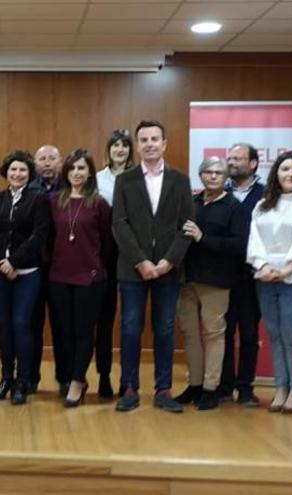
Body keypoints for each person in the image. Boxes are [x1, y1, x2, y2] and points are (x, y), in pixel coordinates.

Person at [112, 119, 194, 414]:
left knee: (165, 329)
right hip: (132, 269)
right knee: (131, 328)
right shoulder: (125, 180)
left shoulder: (181, 180)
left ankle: (163, 389)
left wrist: (168, 262)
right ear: (137, 145)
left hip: (168, 270)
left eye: (154, 139)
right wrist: (142, 261)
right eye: (143, 139)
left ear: (164, 144)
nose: (149, 144)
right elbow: (119, 225)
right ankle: (130, 388)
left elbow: (187, 226)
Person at [247, 151, 292, 414]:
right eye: (285, 169)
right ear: (276, 173)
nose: (290, 174)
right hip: (266, 278)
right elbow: (254, 239)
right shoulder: (263, 204)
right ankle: (280, 387)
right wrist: (264, 266)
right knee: (275, 335)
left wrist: (287, 268)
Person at [174, 157, 246, 411]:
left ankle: (210, 387)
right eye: (208, 172)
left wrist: (203, 238)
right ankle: (194, 384)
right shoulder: (192, 203)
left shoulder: (234, 207)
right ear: (201, 175)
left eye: (218, 172)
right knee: (190, 334)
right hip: (187, 279)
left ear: (226, 177)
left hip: (217, 280)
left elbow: (238, 245)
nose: (213, 176)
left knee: (215, 335)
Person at [0, 150, 49, 405]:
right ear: (6, 173)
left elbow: (38, 235)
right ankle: (6, 378)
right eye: (13, 170)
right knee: (5, 325)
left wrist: (15, 261)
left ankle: (23, 381)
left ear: (29, 174)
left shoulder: (38, 199)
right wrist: (2, 261)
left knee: (22, 324)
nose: (17, 174)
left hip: (27, 273)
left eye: (22, 170)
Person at [48, 148, 112, 407]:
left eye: (82, 168)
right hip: (59, 275)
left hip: (90, 277)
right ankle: (68, 377)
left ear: (89, 173)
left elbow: (107, 243)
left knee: (84, 332)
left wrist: (97, 267)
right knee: (64, 332)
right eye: (72, 168)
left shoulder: (99, 203)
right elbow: (48, 238)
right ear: (66, 172)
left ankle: (77, 381)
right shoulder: (53, 201)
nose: (76, 173)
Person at [219, 143, 264, 406]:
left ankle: (245, 386)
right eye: (230, 158)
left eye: (238, 158)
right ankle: (224, 385)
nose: (232, 162)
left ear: (254, 163)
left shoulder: (267, 193)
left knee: (248, 332)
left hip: (251, 275)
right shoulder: (220, 192)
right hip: (223, 273)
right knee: (223, 332)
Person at [93, 129, 134, 398]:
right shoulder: (96, 179)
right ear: (108, 150)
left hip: (132, 254)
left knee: (130, 320)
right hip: (104, 254)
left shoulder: (139, 178)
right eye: (115, 145)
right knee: (104, 320)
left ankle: (128, 380)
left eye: (124, 146)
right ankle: (104, 376)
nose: (120, 149)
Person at [26, 144, 65, 395]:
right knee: (32, 324)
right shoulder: (27, 189)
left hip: (62, 267)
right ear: (35, 163)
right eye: (42, 158)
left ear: (60, 162)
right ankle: (30, 378)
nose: (47, 163)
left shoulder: (71, 189)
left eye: (52, 158)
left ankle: (64, 378)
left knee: (62, 326)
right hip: (34, 267)